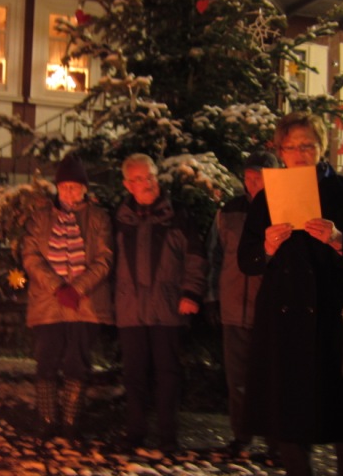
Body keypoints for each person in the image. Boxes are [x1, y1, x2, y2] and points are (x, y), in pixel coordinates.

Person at [238, 111, 343, 476]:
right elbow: (246, 260)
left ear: (323, 148)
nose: (299, 154)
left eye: (307, 145)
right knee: (288, 407)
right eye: (290, 147)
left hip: (335, 315)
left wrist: (340, 240)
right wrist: (265, 246)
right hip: (283, 317)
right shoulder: (266, 198)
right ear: (278, 152)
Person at [114, 153, 207, 454]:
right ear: (128, 184)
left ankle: (168, 437)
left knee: (168, 374)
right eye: (138, 179)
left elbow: (195, 257)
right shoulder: (119, 219)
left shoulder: (177, 215)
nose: (146, 183)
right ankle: (134, 433)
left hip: (167, 308)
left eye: (149, 176)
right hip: (130, 310)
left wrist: (191, 293)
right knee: (134, 375)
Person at [21, 153, 113, 441]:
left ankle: (71, 421)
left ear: (84, 189)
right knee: (46, 359)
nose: (69, 192)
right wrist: (58, 287)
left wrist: (77, 288)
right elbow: (31, 257)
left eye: (75, 187)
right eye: (64, 187)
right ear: (57, 188)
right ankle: (46, 418)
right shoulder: (40, 218)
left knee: (77, 361)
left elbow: (104, 258)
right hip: (48, 303)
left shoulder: (98, 218)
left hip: (85, 303)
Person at [206, 149, 279, 457]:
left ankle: (278, 443)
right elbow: (214, 256)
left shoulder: (284, 210)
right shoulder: (229, 212)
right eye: (249, 178)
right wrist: (212, 297)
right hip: (234, 307)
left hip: (271, 312)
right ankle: (242, 437)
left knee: (273, 381)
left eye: (259, 178)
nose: (253, 185)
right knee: (237, 380)